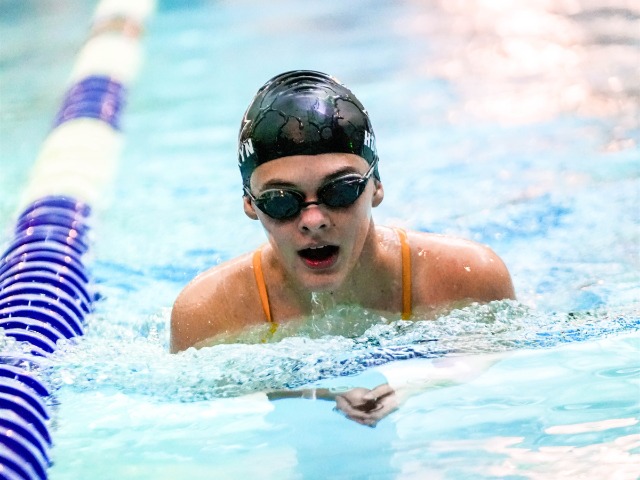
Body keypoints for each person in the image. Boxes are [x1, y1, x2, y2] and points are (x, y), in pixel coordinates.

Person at [170, 70, 515, 425]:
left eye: (340, 190)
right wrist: (305, 395)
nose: (313, 219)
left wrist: (414, 383)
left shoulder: (469, 279)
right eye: (280, 200)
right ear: (249, 204)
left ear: (376, 185)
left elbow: (491, 362)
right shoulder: (208, 314)